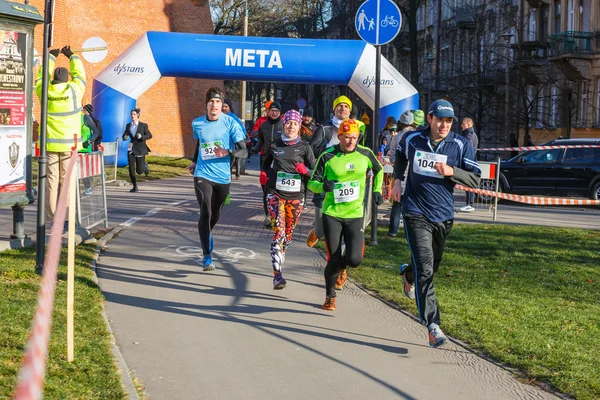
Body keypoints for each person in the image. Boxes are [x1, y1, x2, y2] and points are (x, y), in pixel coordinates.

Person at [390, 99, 480, 347]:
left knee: (430, 264)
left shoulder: (461, 145)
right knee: (426, 268)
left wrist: (452, 172)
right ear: (429, 118)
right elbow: (399, 155)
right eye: (440, 119)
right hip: (415, 212)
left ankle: (408, 275)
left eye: (449, 121)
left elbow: (475, 179)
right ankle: (433, 325)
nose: (444, 125)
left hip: (443, 215)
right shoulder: (412, 139)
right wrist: (397, 180)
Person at [308, 119, 384, 311]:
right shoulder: (327, 156)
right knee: (333, 258)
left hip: (355, 213)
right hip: (332, 213)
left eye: (354, 138)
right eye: (346, 137)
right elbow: (311, 183)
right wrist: (323, 186)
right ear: (339, 136)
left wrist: (377, 190)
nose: (350, 141)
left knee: (354, 260)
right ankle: (330, 296)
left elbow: (379, 169)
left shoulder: (365, 154)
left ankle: (342, 268)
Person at [185, 87, 247, 270]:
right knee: (205, 209)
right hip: (202, 174)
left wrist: (228, 151)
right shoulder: (197, 123)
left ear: (222, 105)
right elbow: (201, 144)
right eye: (211, 101)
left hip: (222, 176)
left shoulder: (231, 123)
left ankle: (207, 232)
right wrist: (195, 162)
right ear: (206, 105)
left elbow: (244, 151)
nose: (214, 105)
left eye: (218, 101)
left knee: (215, 213)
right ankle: (207, 256)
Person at [260, 110, 315, 289]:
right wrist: (265, 175)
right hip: (275, 194)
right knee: (279, 233)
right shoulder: (275, 145)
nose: (291, 127)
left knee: (288, 235)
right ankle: (277, 275)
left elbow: (315, 172)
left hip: (296, 197)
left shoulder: (305, 148)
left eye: (295, 124)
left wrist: (304, 171)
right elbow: (265, 163)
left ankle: (281, 252)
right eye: (289, 123)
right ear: (284, 124)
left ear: (300, 127)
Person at [35, 45, 85, 221]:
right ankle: (67, 217)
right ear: (67, 81)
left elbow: (41, 77)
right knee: (67, 181)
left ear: (53, 80)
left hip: (50, 144)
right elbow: (80, 76)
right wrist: (71, 56)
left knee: (51, 181)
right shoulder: (74, 90)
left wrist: (51, 57)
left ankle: (52, 216)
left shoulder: (45, 91)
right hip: (69, 146)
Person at [305, 95, 352, 248]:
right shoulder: (325, 130)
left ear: (350, 111)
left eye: (346, 106)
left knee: (342, 230)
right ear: (334, 110)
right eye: (340, 106)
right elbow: (310, 148)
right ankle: (317, 231)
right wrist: (317, 163)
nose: (343, 109)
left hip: (346, 183)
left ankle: (340, 265)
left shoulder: (357, 130)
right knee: (321, 232)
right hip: (325, 183)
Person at [252, 101, 283, 227]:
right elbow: (260, 141)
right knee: (266, 189)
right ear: (268, 112)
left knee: (279, 188)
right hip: (265, 161)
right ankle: (268, 216)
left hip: (281, 161)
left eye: (277, 111)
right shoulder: (263, 125)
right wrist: (254, 149)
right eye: (272, 110)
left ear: (280, 112)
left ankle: (279, 215)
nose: (274, 113)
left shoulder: (284, 125)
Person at [388, 110, 415, 237]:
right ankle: (409, 231)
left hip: (399, 174)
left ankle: (393, 231)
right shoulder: (417, 135)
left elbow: (392, 156)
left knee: (397, 203)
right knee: (411, 205)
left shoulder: (397, 137)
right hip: (414, 174)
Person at [122, 108, 152, 193]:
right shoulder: (128, 125)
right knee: (131, 168)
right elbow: (125, 134)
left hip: (140, 148)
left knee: (139, 171)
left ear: (138, 115)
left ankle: (144, 166)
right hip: (131, 148)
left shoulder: (143, 125)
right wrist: (124, 137)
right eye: (131, 114)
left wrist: (142, 137)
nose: (132, 116)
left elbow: (150, 135)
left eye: (134, 114)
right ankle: (135, 186)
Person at [459, 117, 479, 212]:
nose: (461, 125)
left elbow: (468, 148)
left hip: (468, 162)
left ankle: (470, 204)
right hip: (469, 161)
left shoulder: (469, 135)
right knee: (467, 183)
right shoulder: (469, 134)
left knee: (468, 183)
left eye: (463, 124)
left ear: (468, 125)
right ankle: (469, 203)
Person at [222, 99, 246, 180]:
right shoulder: (218, 116)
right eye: (222, 106)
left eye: (226, 106)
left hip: (231, 144)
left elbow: (242, 129)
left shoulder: (233, 117)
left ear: (229, 108)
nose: (223, 108)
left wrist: (241, 140)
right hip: (221, 144)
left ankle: (229, 176)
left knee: (231, 161)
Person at [79, 109, 101, 195]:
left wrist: (88, 141)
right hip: (73, 148)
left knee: (82, 169)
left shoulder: (85, 117)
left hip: (84, 149)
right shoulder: (70, 118)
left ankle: (88, 187)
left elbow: (96, 132)